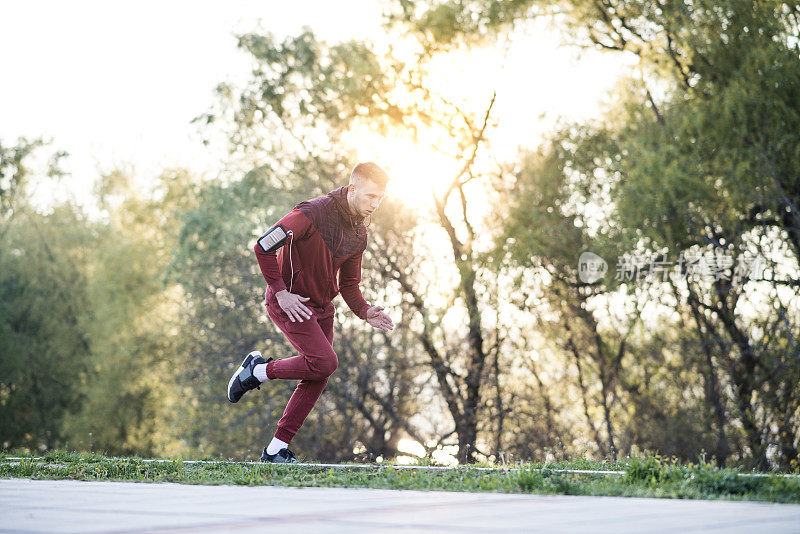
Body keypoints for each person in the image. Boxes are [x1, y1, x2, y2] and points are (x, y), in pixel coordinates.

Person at [226, 162, 395, 463]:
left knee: (319, 373)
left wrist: (365, 311)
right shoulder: (310, 214)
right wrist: (280, 292)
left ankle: (276, 449)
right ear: (352, 189)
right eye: (370, 196)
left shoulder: (359, 233)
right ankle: (258, 371)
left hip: (321, 309)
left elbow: (350, 283)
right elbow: (263, 246)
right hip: (290, 304)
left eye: (379, 198)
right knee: (324, 362)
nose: (374, 204)